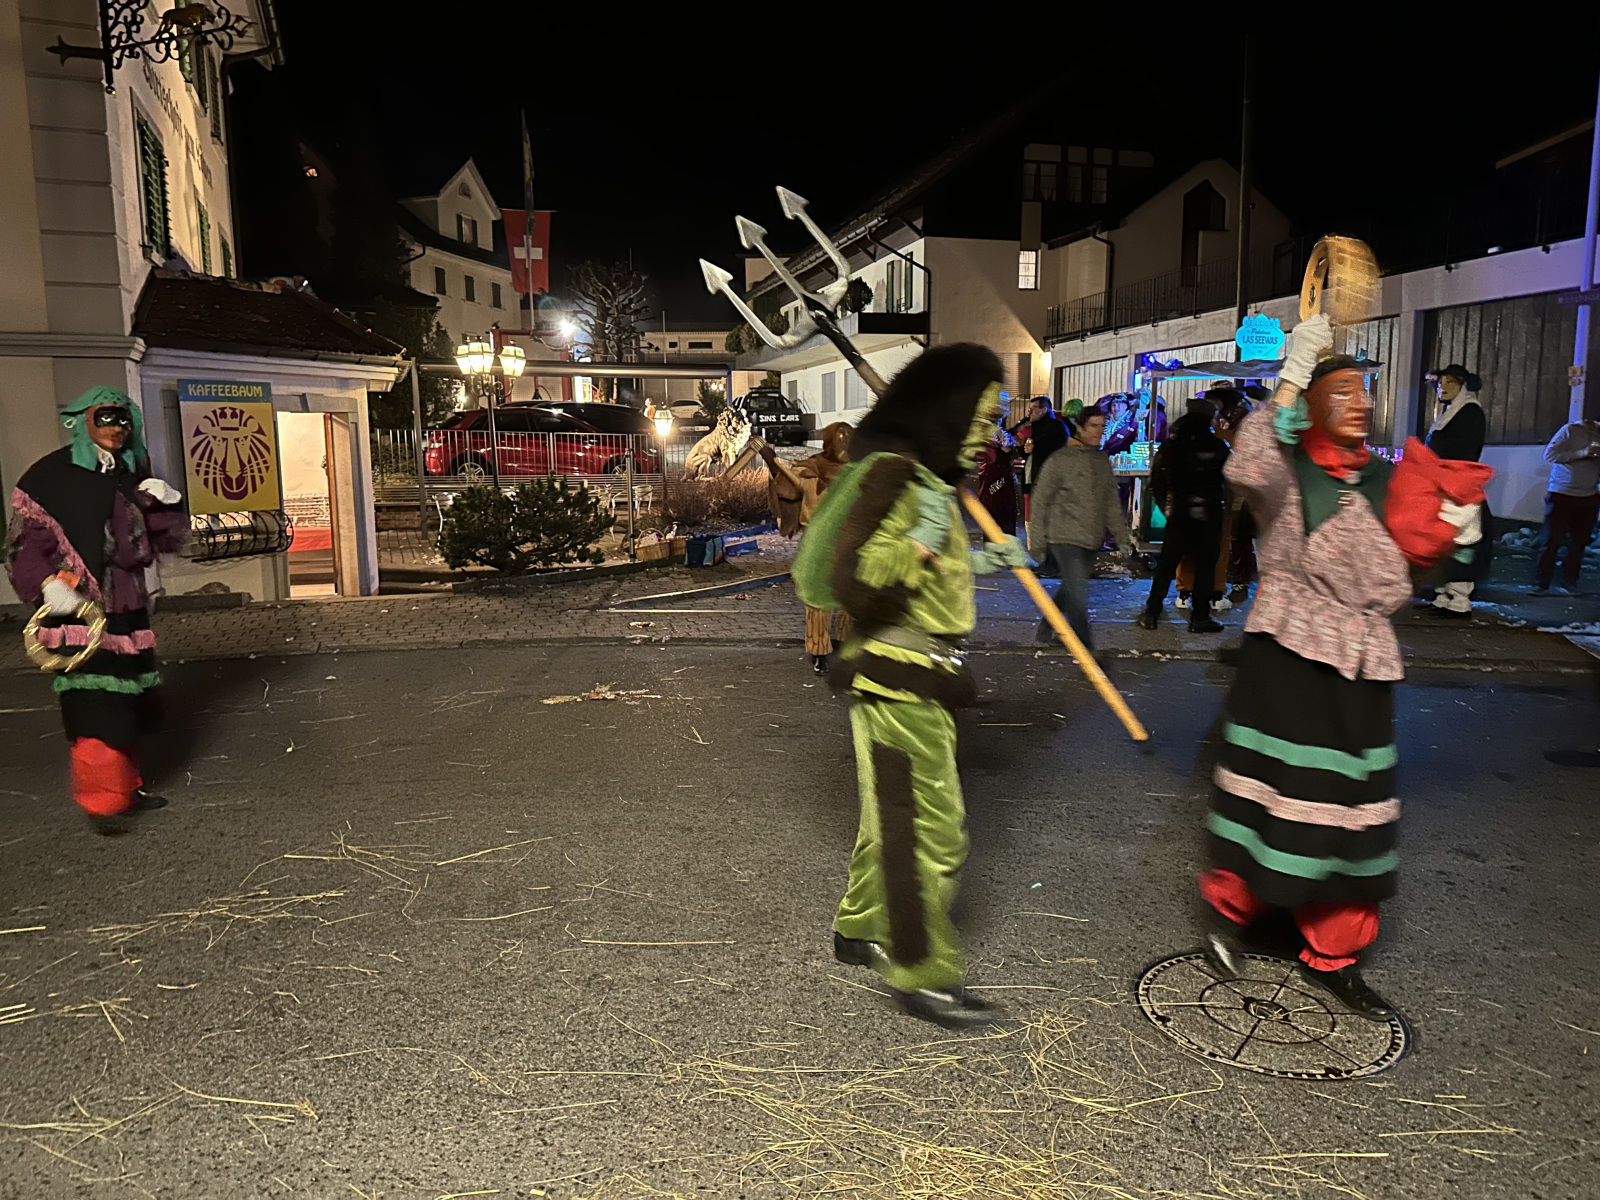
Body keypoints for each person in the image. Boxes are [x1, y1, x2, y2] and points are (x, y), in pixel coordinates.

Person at [1199, 315, 1492, 1020]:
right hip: (1286, 661)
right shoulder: (1287, 467)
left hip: (1363, 668)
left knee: (1352, 817)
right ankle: (1236, 914)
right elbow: (1244, 465)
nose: (1360, 403)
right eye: (1342, 392)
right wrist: (1291, 372)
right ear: (1313, 403)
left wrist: (1449, 538)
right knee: (1272, 795)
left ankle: (1335, 950)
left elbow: (1412, 572)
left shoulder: (1393, 477)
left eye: (1365, 391)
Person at [792, 345, 1028, 1030]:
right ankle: (920, 969)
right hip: (896, 676)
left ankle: (860, 928)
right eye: (982, 416)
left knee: (889, 819)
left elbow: (928, 578)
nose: (991, 431)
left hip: (919, 675)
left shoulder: (925, 478)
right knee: (929, 832)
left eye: (995, 417)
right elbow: (856, 578)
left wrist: (980, 560)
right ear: (949, 410)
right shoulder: (895, 473)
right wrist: (922, 541)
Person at [5, 387, 187, 834]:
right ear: (82, 421)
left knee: (130, 700)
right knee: (95, 705)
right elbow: (23, 545)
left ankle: (127, 787)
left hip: (127, 606)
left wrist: (165, 504)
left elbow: (158, 541)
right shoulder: (51, 477)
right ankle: (102, 802)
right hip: (78, 609)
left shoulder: (129, 475)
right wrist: (48, 585)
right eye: (105, 418)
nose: (116, 428)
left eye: (123, 419)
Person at [1026, 405, 1133, 649]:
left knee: (1071, 588)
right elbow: (1040, 500)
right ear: (1080, 428)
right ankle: (1086, 649)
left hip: (1091, 538)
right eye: (1093, 426)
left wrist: (1122, 537)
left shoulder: (1101, 460)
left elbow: (1110, 502)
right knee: (1077, 594)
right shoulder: (1061, 460)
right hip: (1064, 537)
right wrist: (1037, 543)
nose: (1099, 431)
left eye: (1102, 426)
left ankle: (1046, 628)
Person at [759, 421, 853, 674]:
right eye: (839, 439)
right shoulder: (811, 468)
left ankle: (846, 644)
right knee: (818, 599)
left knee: (851, 596)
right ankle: (819, 651)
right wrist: (770, 461)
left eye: (848, 439)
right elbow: (787, 484)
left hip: (850, 541)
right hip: (818, 541)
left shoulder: (857, 471)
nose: (844, 445)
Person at [1136, 396, 1231, 633]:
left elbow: (1156, 480)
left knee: (1166, 565)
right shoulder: (1218, 446)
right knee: (1205, 568)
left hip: (1180, 513)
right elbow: (1232, 479)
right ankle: (1200, 617)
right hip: (1209, 514)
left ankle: (1152, 613)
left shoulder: (1173, 445)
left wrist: (1166, 507)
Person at [1423, 364, 1489, 616]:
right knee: (1442, 541)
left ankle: (1460, 598)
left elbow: (1465, 452)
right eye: (1440, 383)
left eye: (1450, 382)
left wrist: (1446, 475)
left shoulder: (1469, 411)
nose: (1443, 387)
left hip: (1458, 487)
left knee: (1461, 540)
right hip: (1441, 485)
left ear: (1462, 385)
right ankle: (1442, 594)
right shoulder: (1448, 413)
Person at [1535, 417, 1600, 595]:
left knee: (1579, 542)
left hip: (1589, 496)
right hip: (1561, 494)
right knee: (1551, 540)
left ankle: (1570, 582)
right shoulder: (1570, 430)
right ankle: (1542, 584)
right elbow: (1550, 455)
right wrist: (1582, 452)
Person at [974, 425, 1019, 537]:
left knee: (1005, 519)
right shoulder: (983, 437)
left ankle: (1006, 541)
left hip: (1004, 482)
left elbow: (1014, 453)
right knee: (991, 517)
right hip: (990, 482)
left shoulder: (1004, 434)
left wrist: (1008, 448)